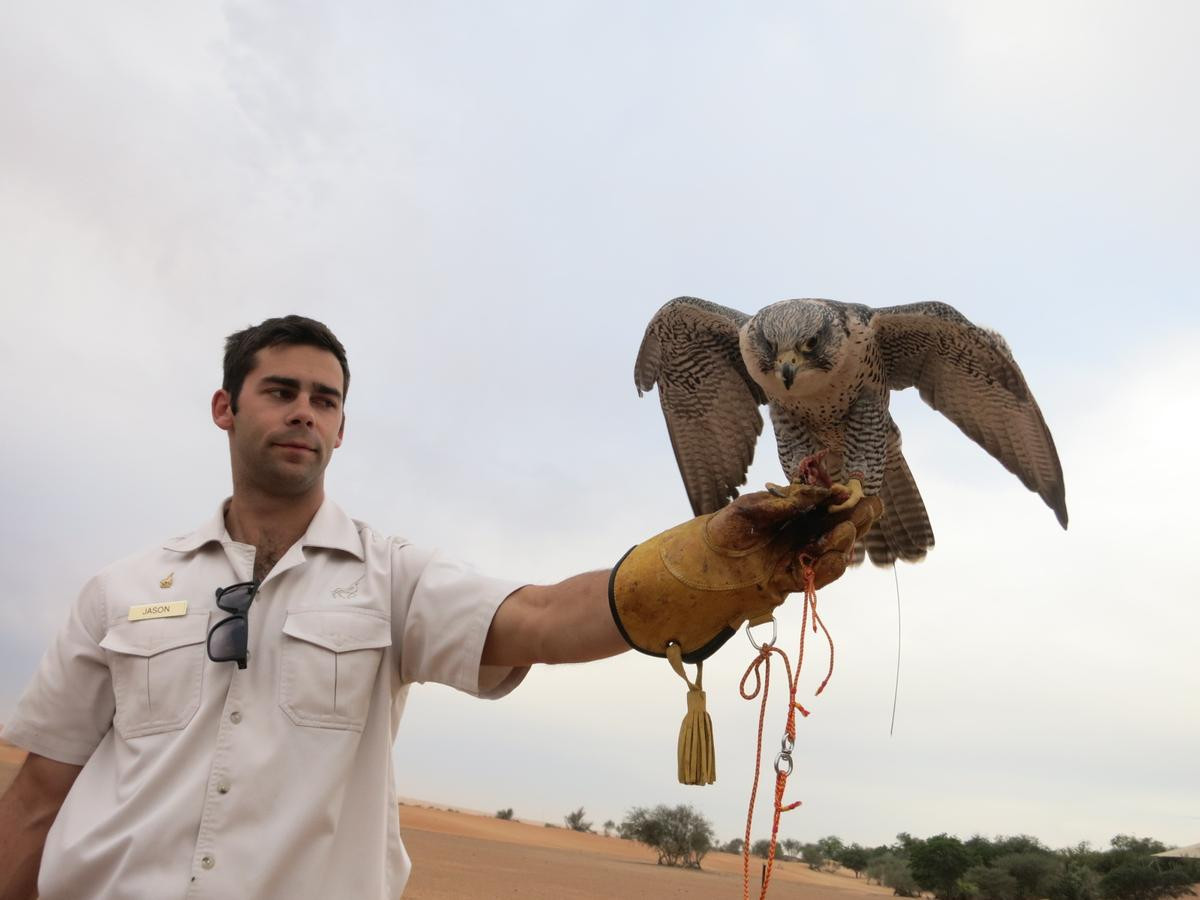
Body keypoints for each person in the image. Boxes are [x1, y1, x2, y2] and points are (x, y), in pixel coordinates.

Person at [0, 315, 877, 899]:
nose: (305, 412)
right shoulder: (118, 592)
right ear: (227, 409)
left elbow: (538, 616)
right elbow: (39, 798)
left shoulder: (392, 578)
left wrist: (710, 561)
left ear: (342, 429)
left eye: (326, 399)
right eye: (281, 392)